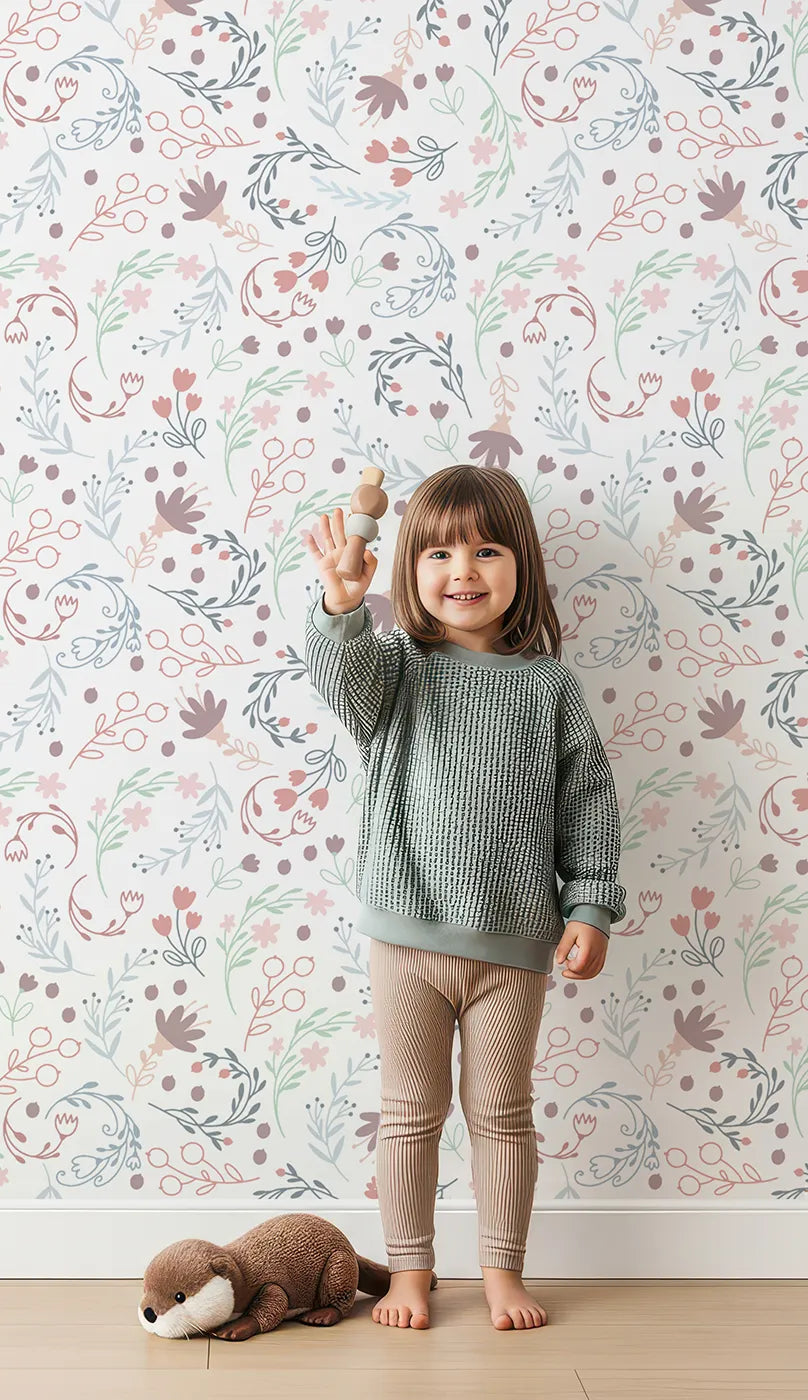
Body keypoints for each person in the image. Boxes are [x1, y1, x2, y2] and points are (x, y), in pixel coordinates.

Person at [301, 463, 625, 1332]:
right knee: (410, 1113)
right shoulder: (396, 670)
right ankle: (410, 1275)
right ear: (409, 570)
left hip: (514, 946)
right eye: (438, 552)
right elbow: (341, 684)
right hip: (408, 938)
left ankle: (502, 1273)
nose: (463, 570)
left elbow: (589, 800)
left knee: (503, 1116)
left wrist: (590, 906)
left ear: (521, 563)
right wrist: (341, 605)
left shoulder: (548, 687)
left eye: (486, 549)